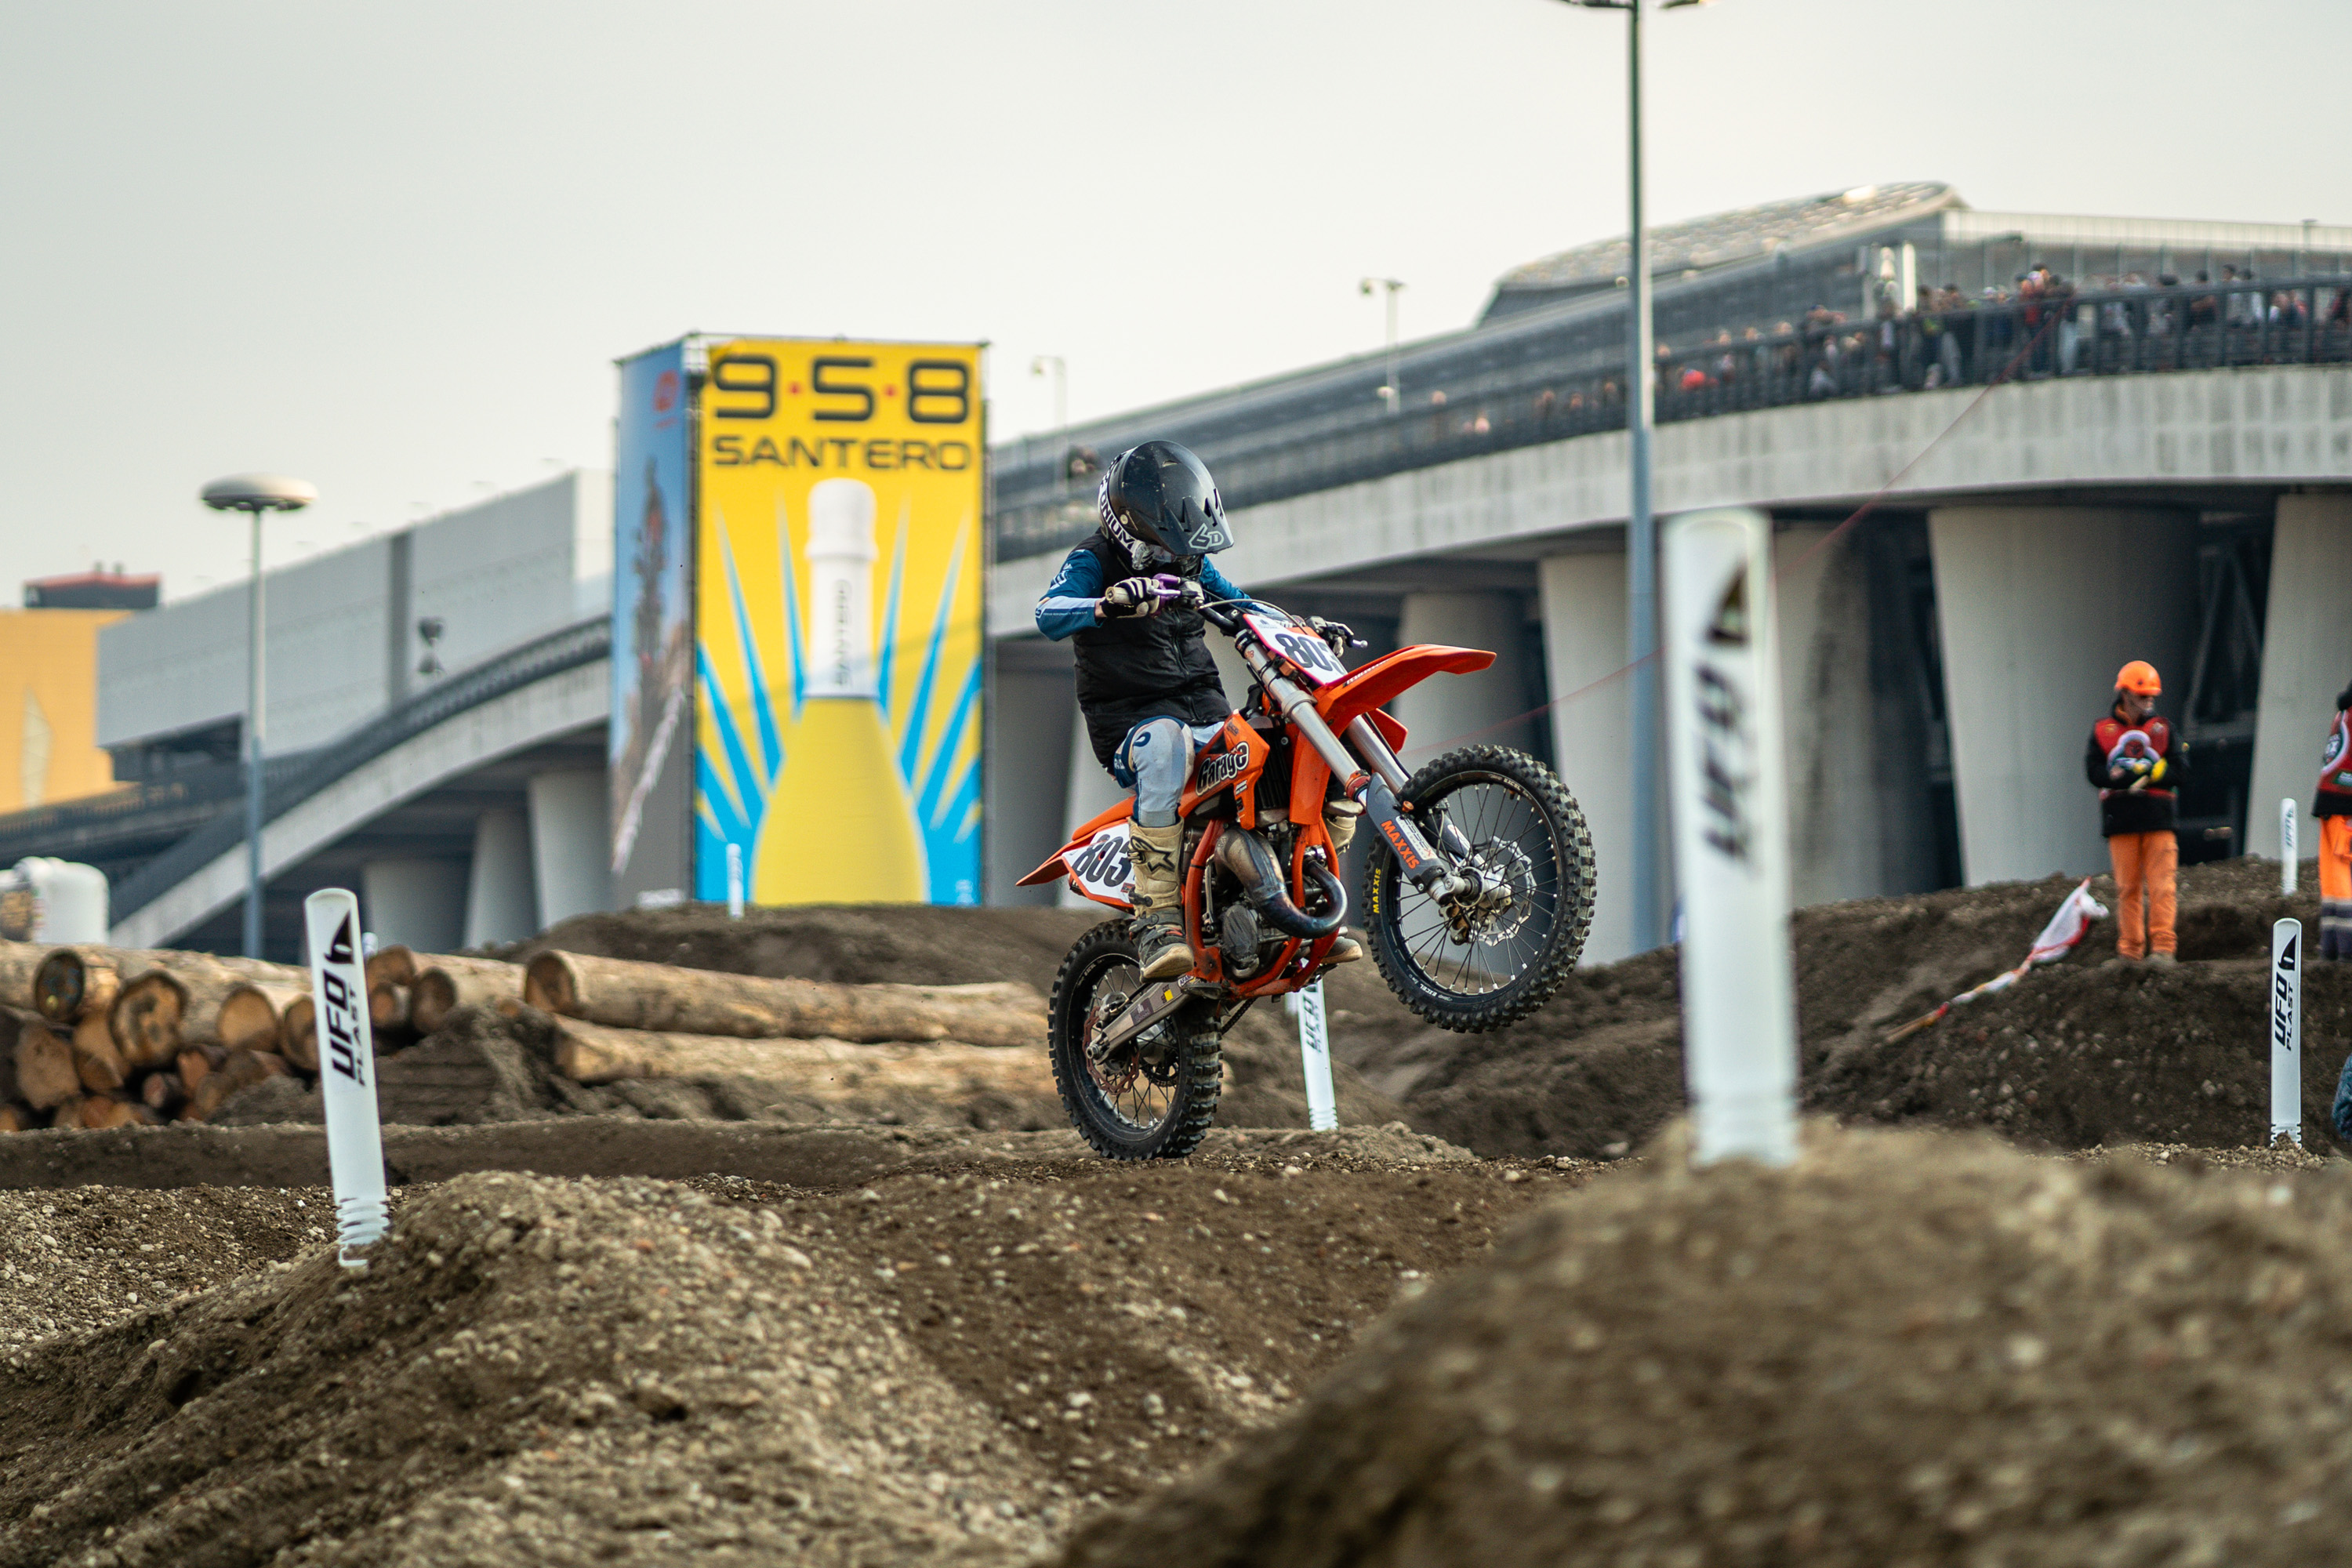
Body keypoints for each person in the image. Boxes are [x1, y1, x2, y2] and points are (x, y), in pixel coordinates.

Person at [1033, 440, 1360, 981]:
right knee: (1165, 742)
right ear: (1130, 525)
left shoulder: (1192, 564)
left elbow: (1245, 605)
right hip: (1132, 724)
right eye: (1163, 543)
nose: (1174, 558)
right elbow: (1049, 612)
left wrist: (1301, 628)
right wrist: (1106, 603)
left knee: (1282, 741)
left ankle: (1307, 889)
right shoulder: (1093, 560)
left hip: (1205, 711)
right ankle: (1156, 919)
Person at [2085, 660, 2189, 964]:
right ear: (2126, 694)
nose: (2149, 701)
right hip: (2121, 819)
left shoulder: (2164, 729)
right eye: (2144, 696)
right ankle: (2129, 952)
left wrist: (2158, 773)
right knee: (2127, 888)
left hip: (2159, 818)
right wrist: (2117, 778)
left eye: (2152, 696)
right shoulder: (2101, 731)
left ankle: (2163, 949)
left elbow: (2182, 770)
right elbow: (2093, 772)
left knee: (2162, 886)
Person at [2316, 682, 2352, 961]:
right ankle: (2347, 949)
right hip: (2345, 806)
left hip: (2328, 802)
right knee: (2343, 877)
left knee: (2331, 880)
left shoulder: (2342, 714)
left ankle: (2330, 947)